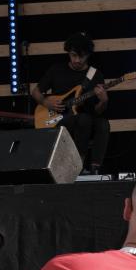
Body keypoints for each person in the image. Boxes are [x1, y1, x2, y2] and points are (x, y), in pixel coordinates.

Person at [31, 32, 110, 174]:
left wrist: (104, 100)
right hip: (60, 118)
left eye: (82, 56)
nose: (77, 60)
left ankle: (95, 168)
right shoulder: (56, 70)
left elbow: (98, 111)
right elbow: (35, 91)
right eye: (74, 55)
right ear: (68, 53)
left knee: (102, 123)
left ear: (89, 55)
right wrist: (46, 103)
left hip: (86, 118)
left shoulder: (95, 75)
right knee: (84, 120)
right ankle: (77, 166)